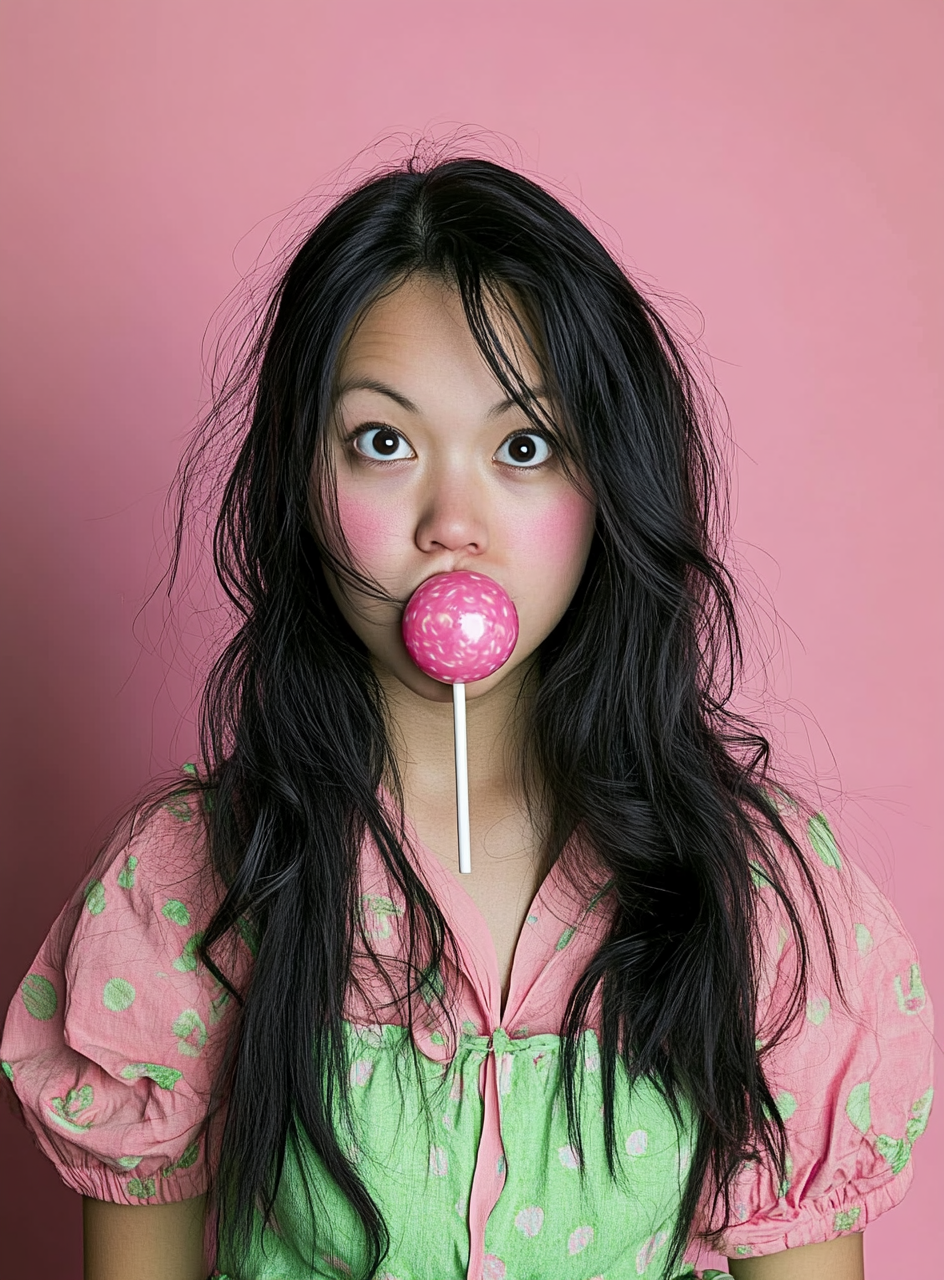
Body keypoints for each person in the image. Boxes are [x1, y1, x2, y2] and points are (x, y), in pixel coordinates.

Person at [1, 155, 933, 1280]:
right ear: (302, 479)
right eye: (382, 442)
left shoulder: (758, 898)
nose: (452, 520)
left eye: (523, 447)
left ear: (607, 488)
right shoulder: (192, 879)